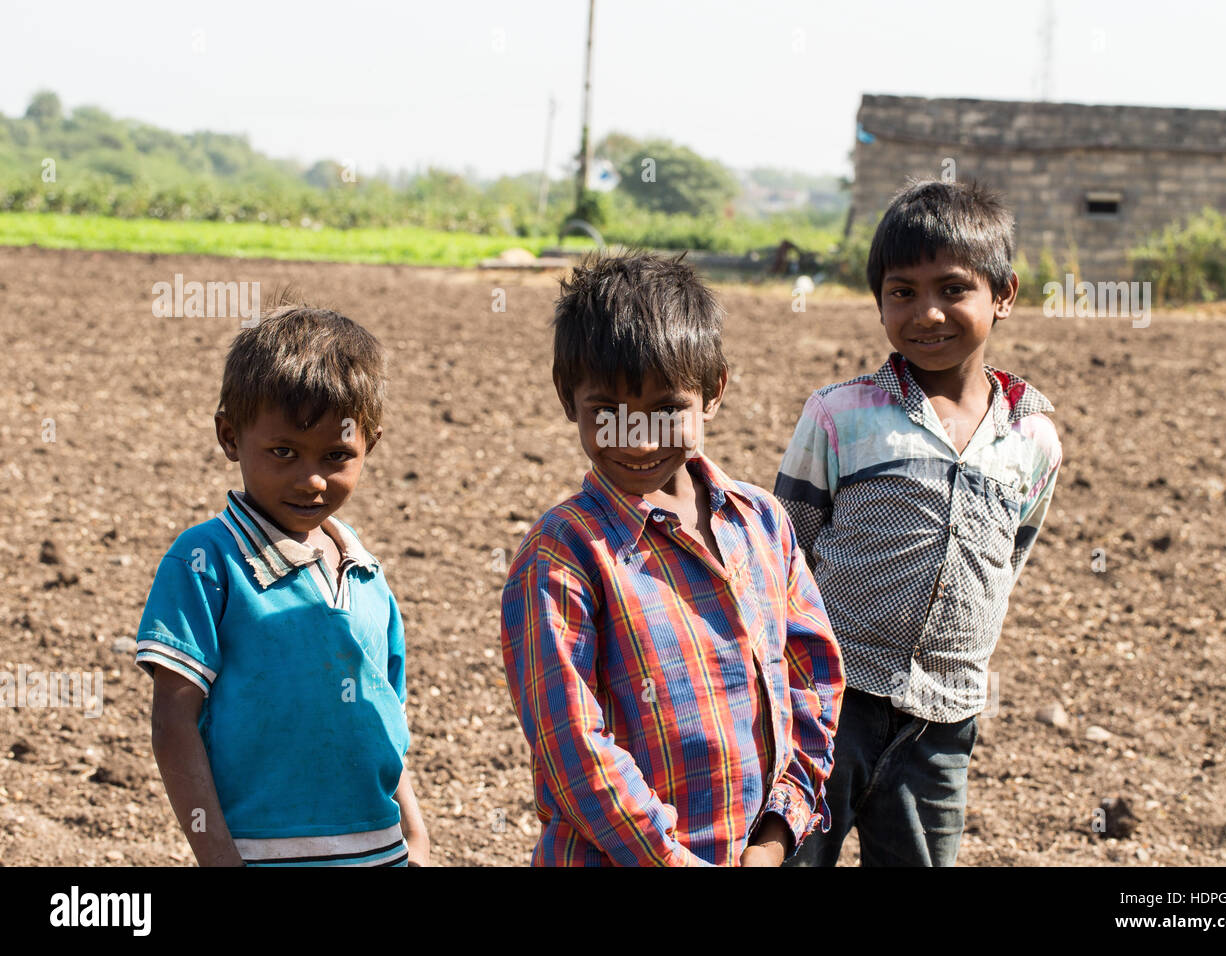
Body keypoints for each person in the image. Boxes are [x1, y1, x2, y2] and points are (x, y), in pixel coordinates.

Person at [500, 251, 845, 866]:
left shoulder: (762, 524)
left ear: (712, 392)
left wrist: (774, 838)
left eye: (665, 411)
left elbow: (811, 680)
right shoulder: (565, 554)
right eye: (609, 413)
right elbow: (572, 748)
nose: (639, 438)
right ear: (567, 397)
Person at [776, 180, 1063, 866]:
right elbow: (787, 550)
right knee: (790, 855)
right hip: (827, 705)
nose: (927, 312)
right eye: (902, 292)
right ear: (879, 301)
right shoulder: (839, 415)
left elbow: (1009, 555)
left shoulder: (1034, 440)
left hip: (944, 717)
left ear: (1005, 294)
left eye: (953, 289)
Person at [136, 303, 428, 866]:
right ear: (229, 436)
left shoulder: (365, 574)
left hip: (380, 851)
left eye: (337, 455)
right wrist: (218, 856)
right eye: (284, 453)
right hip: (261, 855)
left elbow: (385, 716)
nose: (312, 478)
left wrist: (415, 838)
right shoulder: (206, 561)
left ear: (371, 444)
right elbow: (173, 720)